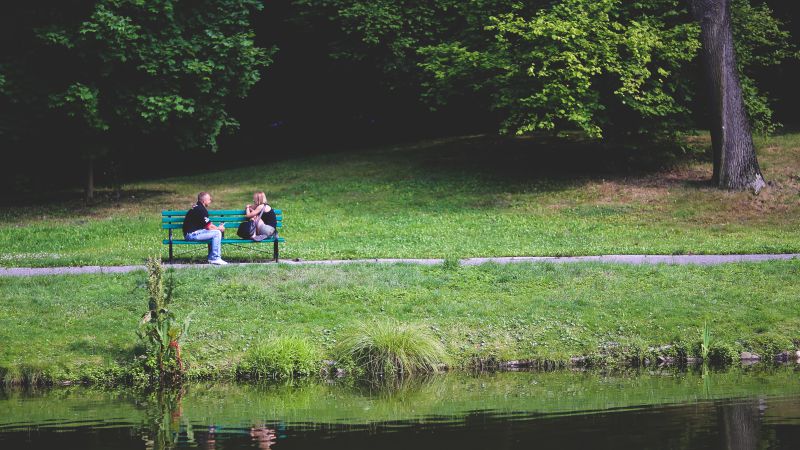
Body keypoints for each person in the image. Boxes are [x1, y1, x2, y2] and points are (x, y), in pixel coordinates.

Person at [183, 192, 227, 265]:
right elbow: (209, 227)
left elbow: (208, 224)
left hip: (192, 233)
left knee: (214, 233)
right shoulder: (201, 210)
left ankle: (211, 258)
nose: (210, 201)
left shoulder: (198, 208)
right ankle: (215, 258)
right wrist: (219, 229)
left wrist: (217, 228)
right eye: (209, 199)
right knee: (217, 233)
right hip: (191, 235)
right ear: (204, 201)